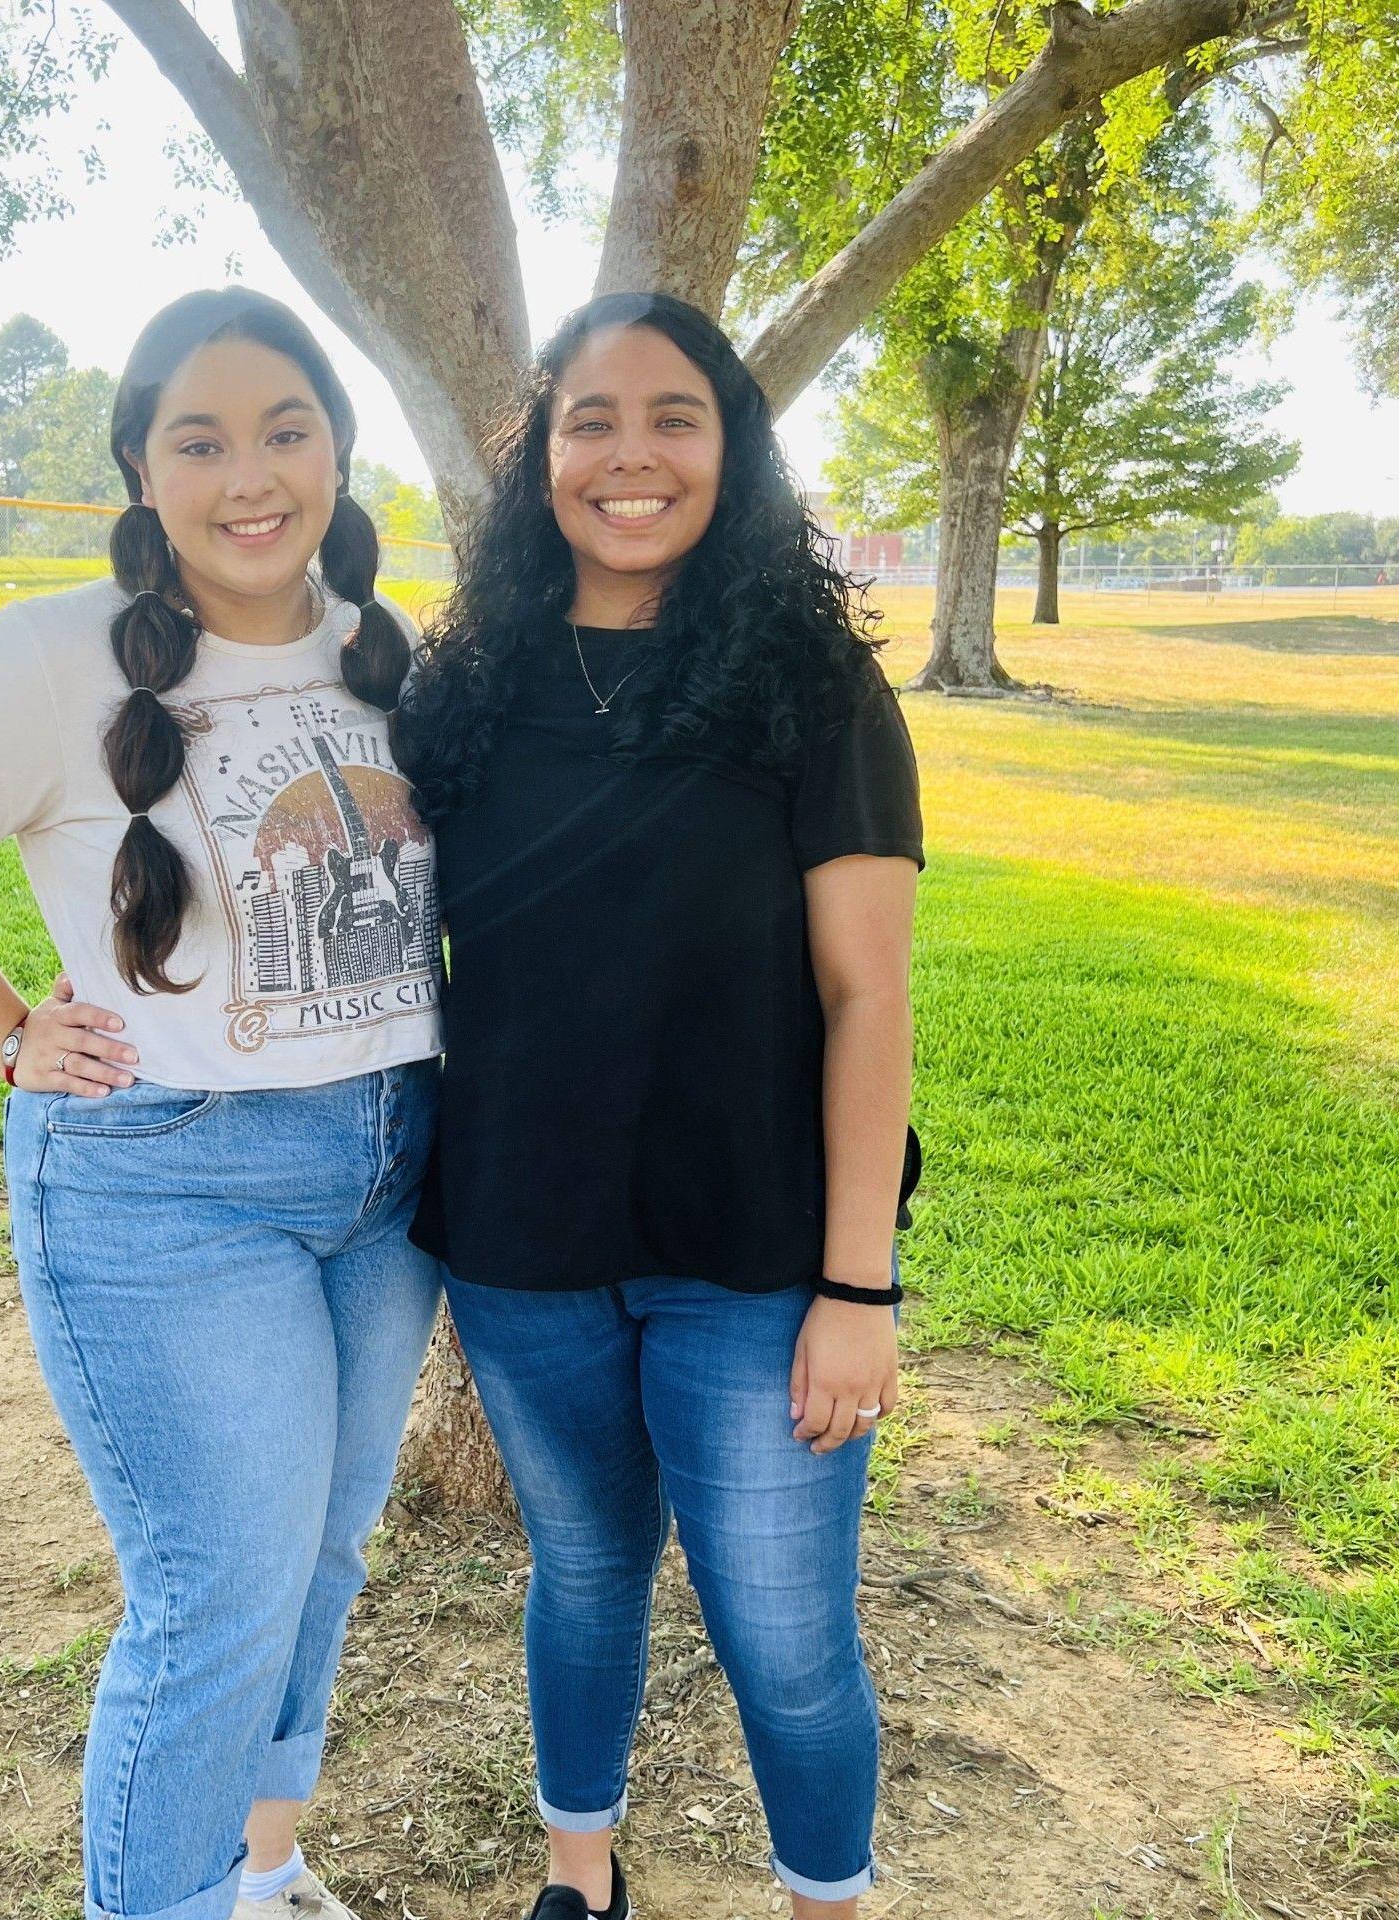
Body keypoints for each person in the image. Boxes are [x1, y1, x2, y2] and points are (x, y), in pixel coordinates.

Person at [0, 287, 443, 1920]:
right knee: (216, 1598)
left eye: (285, 431)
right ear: (142, 472)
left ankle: (266, 1873)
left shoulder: (388, 652)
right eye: (200, 441)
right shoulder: (48, 656)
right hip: (169, 1184)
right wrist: (9, 1036)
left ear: (337, 447)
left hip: (394, 1168)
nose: (251, 476)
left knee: (324, 1552)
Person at [390, 292, 925, 1920]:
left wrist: (858, 1288)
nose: (631, 455)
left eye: (674, 416)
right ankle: (581, 1882)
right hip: (522, 1245)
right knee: (584, 1573)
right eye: (592, 421)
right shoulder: (466, 684)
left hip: (756, 1258)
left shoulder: (813, 687)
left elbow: (868, 998)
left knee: (786, 1636)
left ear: (732, 448)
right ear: (542, 457)